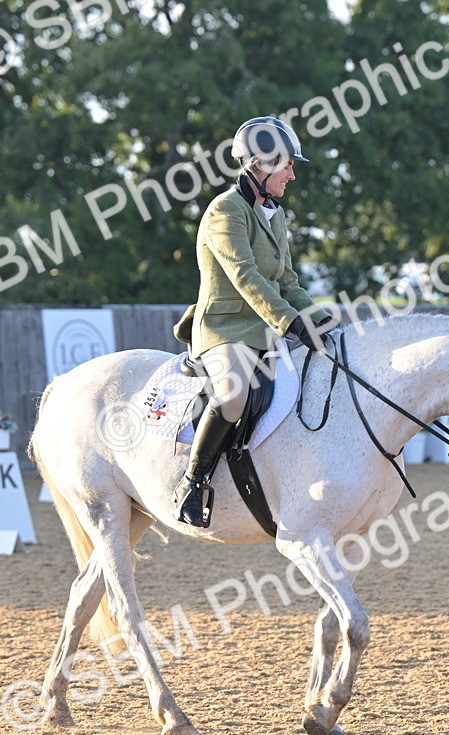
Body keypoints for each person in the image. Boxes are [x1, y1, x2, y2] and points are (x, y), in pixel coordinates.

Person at [171, 116, 334, 527]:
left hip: (265, 329)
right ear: (259, 165)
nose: (293, 175)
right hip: (224, 329)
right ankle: (193, 483)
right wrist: (291, 323)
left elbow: (288, 281)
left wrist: (318, 321)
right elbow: (246, 276)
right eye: (287, 166)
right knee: (233, 395)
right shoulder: (225, 211)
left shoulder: (274, 214)